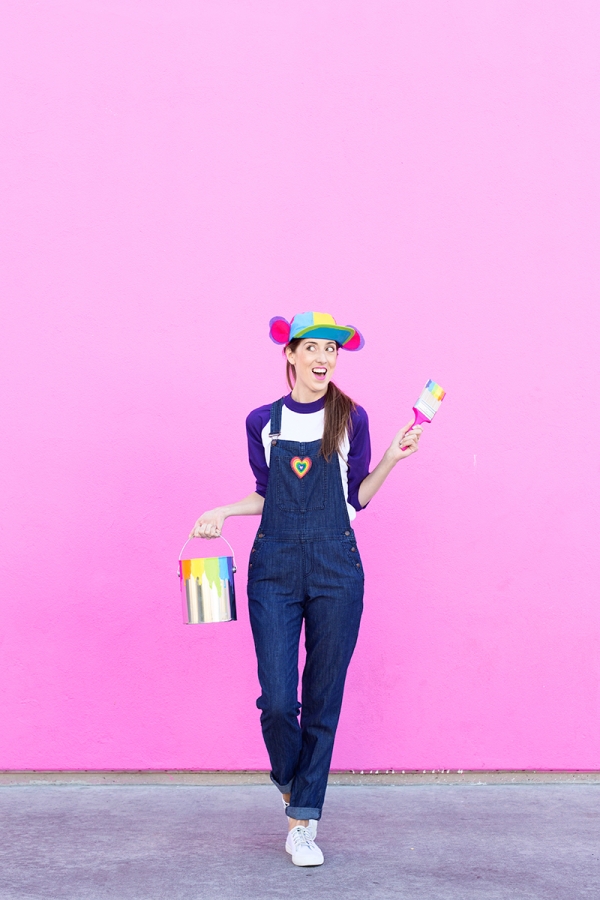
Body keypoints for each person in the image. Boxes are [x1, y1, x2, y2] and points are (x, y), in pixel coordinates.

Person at [190, 312, 422, 866]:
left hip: (336, 568)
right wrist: (222, 511)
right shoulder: (261, 421)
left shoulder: (351, 417)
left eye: (333, 351)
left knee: (323, 698)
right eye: (313, 348)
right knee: (277, 702)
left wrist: (392, 455)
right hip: (273, 566)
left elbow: (356, 497)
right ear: (290, 355)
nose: (324, 359)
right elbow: (266, 495)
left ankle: (303, 823)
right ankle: (294, 781)